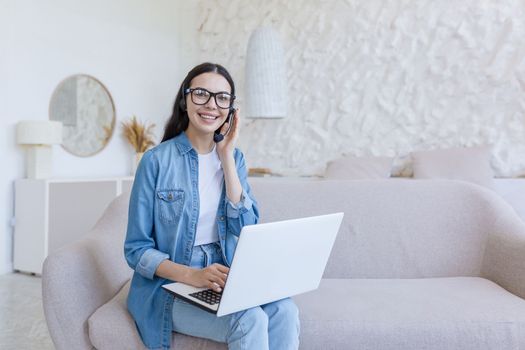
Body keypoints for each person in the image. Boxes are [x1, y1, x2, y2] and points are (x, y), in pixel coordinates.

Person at [124, 62, 300, 350]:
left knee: (285, 310)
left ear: (231, 108)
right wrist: (192, 275)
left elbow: (246, 230)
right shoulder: (156, 161)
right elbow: (136, 249)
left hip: (226, 277)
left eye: (222, 98)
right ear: (185, 99)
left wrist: (227, 156)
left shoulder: (236, 159)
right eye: (201, 94)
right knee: (249, 319)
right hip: (170, 286)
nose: (211, 105)